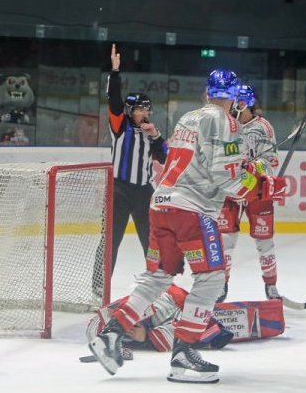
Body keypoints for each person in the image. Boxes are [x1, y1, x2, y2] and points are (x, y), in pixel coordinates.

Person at [88, 69, 284, 383]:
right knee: (212, 279)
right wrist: (259, 187)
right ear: (232, 97)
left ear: (207, 94)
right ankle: (184, 354)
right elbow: (225, 175)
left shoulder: (187, 118)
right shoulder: (228, 122)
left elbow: (203, 162)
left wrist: (247, 170)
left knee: (158, 276)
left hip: (161, 202)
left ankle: (111, 334)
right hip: (190, 210)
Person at [103, 44, 168, 274]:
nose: (145, 113)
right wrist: (115, 72)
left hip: (144, 192)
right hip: (119, 190)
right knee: (110, 242)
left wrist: (157, 136)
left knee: (153, 243)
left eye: (147, 110)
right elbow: (113, 98)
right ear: (130, 110)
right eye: (140, 109)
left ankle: (157, 284)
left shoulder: (151, 131)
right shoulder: (120, 125)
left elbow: (166, 158)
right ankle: (99, 289)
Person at [217, 85, 281, 302]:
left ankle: (271, 286)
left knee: (265, 241)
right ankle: (220, 285)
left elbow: (271, 162)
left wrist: (254, 167)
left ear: (243, 103)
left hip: (257, 192)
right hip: (229, 190)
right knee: (225, 240)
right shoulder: (224, 124)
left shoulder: (263, 127)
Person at [86, 284, 234, 355]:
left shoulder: (175, 304)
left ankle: (113, 333)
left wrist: (147, 338)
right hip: (167, 296)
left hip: (172, 300)